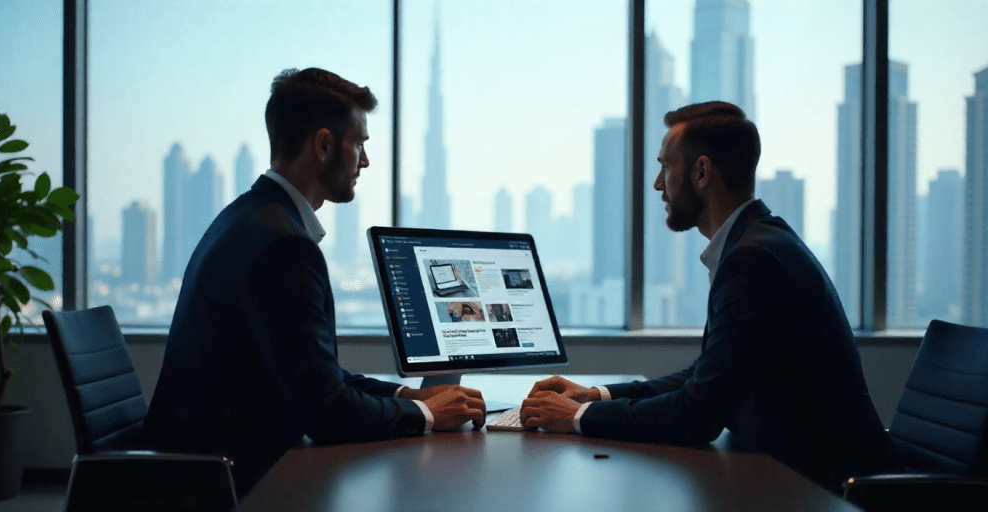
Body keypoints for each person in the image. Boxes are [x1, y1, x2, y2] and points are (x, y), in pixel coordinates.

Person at [519, 101, 901, 491]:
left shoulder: (753, 260)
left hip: (829, 490)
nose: (657, 184)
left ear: (701, 172)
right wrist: (594, 396)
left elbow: (698, 415)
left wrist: (577, 417)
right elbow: (707, 377)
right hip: (797, 474)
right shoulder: (759, 240)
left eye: (666, 168)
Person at [141, 68, 485, 497]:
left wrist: (408, 396)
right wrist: (429, 416)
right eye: (358, 143)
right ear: (323, 145)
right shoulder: (283, 246)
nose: (365, 161)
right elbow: (326, 412)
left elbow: (317, 376)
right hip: (223, 485)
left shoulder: (248, 217)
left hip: (208, 465)